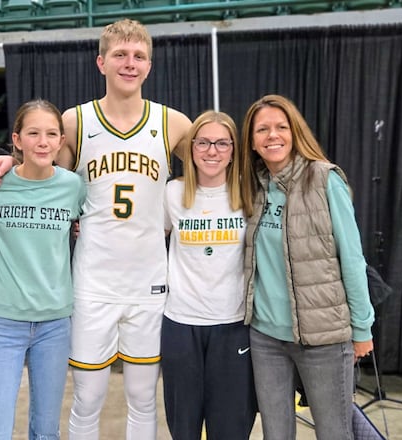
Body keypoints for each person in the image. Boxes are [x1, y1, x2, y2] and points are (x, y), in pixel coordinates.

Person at [0, 18, 192, 440]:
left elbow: (216, 166)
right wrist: (5, 160)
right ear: (101, 62)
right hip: (92, 282)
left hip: (149, 282)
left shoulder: (173, 123)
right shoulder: (76, 121)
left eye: (138, 57)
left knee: (143, 397)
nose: (129, 64)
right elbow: (40, 169)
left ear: (149, 65)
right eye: (120, 55)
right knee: (88, 397)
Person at [239, 94, 375, 440]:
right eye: (262, 130)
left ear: (295, 132)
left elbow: (353, 259)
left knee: (333, 433)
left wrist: (362, 328)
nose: (272, 135)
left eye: (281, 127)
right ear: (252, 142)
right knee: (276, 434)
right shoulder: (252, 187)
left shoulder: (324, 179)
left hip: (323, 339)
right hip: (266, 338)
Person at [0, 99, 86, 440]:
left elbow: (87, 225)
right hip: (3, 323)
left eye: (51, 134)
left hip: (54, 323)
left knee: (46, 431)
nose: (43, 141)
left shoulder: (73, 187)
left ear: (61, 141)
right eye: (33, 133)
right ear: (17, 140)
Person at [161, 110, 257, 440]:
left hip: (233, 326)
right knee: (183, 429)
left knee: (230, 430)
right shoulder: (172, 193)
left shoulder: (249, 193)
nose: (211, 151)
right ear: (190, 148)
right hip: (180, 324)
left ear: (233, 150)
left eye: (221, 143)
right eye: (202, 142)